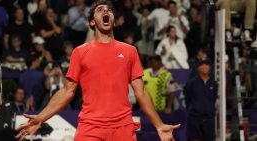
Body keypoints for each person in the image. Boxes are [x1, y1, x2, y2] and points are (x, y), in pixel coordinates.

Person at [16, 1, 180, 141]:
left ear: (114, 21)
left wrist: (159, 125)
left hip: (122, 127)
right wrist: (41, 118)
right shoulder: (80, 52)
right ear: (92, 22)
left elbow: (141, 92)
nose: (106, 11)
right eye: (100, 10)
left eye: (109, 10)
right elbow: (67, 91)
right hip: (90, 127)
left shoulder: (130, 51)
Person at [184, 58, 218, 141]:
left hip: (209, 118)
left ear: (210, 67)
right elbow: (187, 97)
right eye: (202, 65)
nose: (204, 67)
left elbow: (213, 98)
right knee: (194, 138)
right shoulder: (191, 83)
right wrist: (194, 108)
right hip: (195, 117)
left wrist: (209, 109)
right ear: (198, 68)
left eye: (207, 64)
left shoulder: (214, 83)